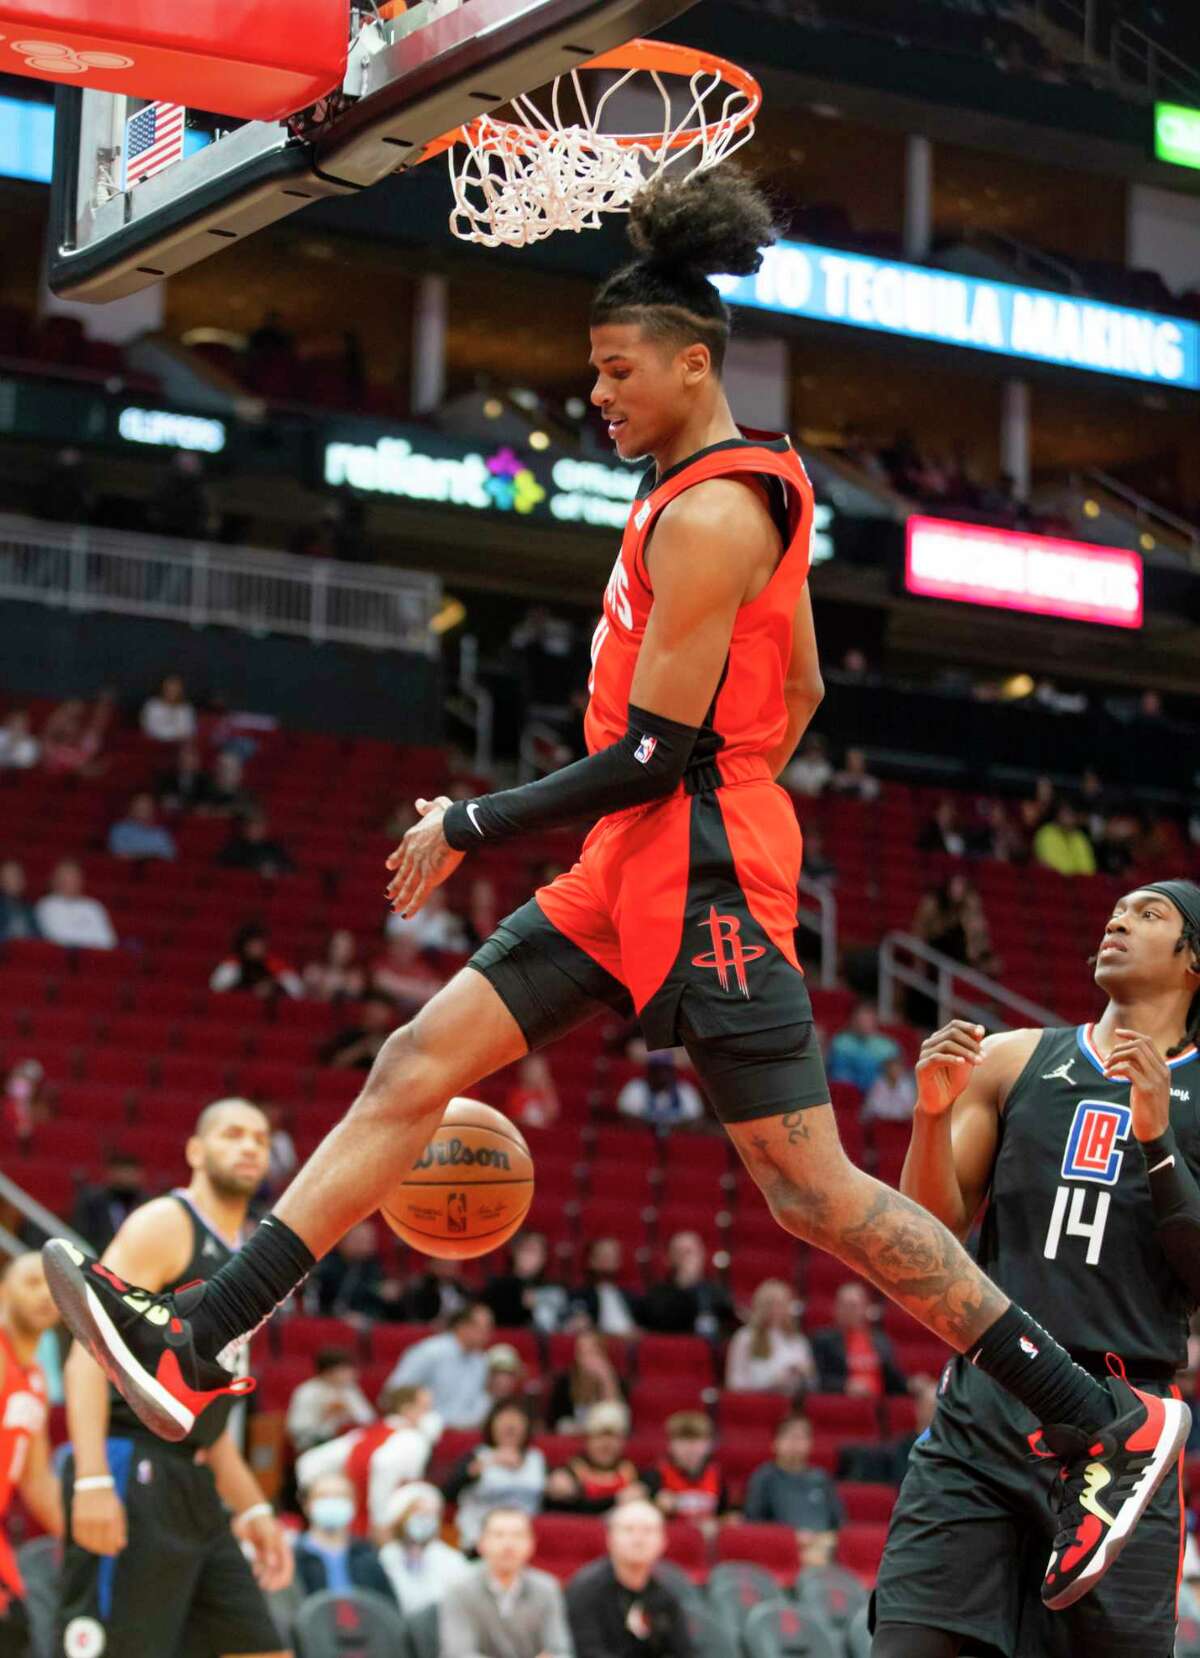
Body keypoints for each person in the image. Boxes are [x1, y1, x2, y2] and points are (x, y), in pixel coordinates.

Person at [49, 168, 1189, 1617]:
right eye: (592, 369)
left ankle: (1101, 1421)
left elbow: (654, 751)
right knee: (411, 1059)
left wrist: (477, 814)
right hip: (637, 861)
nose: (594, 390)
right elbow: (806, 683)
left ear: (692, 360)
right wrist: (727, 765)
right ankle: (198, 1334)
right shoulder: (699, 492)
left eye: (615, 367)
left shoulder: (715, 511)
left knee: (814, 1194)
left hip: (698, 861)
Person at [873, 880, 1200, 1658]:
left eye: (1150, 914)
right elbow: (931, 1233)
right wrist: (929, 1114)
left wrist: (1158, 1143)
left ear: (1195, 961)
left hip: (1120, 1434)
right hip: (983, 1416)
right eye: (1118, 909)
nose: (1119, 919)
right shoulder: (1011, 1058)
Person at [57, 1099, 290, 1658]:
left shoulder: (248, 1256)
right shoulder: (167, 1224)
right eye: (233, 1134)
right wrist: (91, 1480)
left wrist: (255, 1509)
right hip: (129, 1464)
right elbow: (87, 1351)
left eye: (260, 1137)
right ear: (195, 1150)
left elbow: (208, 1415)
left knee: (261, 1649)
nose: (250, 1146)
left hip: (195, 1480)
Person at [0, 1254, 60, 1658]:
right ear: (3, 1290)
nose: (44, 1293)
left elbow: (36, 1480)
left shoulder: (35, 1375)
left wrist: (84, 1540)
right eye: (31, 1281)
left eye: (52, 1285)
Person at [297, 1383, 441, 1534]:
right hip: (381, 1528)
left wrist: (310, 1505)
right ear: (407, 1409)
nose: (431, 1415)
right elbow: (384, 1466)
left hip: (352, 1525)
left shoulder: (363, 1434)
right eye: (426, 1408)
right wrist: (379, 1523)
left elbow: (308, 1462)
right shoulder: (413, 1439)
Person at [566, 1499, 695, 1658]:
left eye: (648, 1531)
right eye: (629, 1530)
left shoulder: (671, 1586)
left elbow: (684, 1650)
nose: (638, 1540)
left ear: (663, 1541)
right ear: (610, 1539)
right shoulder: (585, 1588)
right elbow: (586, 1652)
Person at [440, 1506, 574, 1658]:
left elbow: (560, 1650)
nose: (508, 1544)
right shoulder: (459, 1590)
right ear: (481, 1543)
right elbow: (458, 1653)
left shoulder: (547, 1588)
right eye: (498, 1535)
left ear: (531, 1543)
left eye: (518, 1535)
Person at [443, 1400, 546, 1551]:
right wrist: (482, 1466)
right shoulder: (477, 1455)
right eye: (504, 1421)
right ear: (491, 1426)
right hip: (477, 1541)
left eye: (516, 1421)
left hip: (524, 1541)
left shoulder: (536, 1459)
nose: (510, 1426)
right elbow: (447, 1492)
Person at [743, 1413, 843, 1567]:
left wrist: (822, 1541)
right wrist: (792, 1538)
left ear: (810, 1443)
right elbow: (753, 1526)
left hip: (823, 1551)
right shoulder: (764, 1478)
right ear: (775, 1443)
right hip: (781, 1554)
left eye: (801, 1437)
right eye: (789, 1436)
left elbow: (840, 1525)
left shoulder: (822, 1479)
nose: (795, 1443)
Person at [384, 1302, 495, 1428]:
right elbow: (393, 1393)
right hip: (426, 1430)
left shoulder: (481, 1361)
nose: (487, 1335)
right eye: (482, 1328)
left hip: (464, 1431)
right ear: (462, 1326)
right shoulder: (429, 1352)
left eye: (489, 1329)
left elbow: (479, 1402)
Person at [293, 1469, 397, 1601]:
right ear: (307, 1504)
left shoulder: (366, 1554)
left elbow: (387, 1608)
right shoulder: (294, 1558)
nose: (332, 1502)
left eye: (341, 1496)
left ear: (353, 1504)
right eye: (323, 1496)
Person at [378, 1482, 471, 1614]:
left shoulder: (453, 1560)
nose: (425, 1519)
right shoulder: (385, 1557)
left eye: (430, 1514)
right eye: (418, 1513)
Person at [811, 1281, 907, 1398]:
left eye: (853, 1306)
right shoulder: (823, 1340)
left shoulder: (881, 1341)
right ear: (836, 1308)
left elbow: (894, 1380)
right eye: (844, 1306)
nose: (848, 1311)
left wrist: (913, 1384)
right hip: (844, 1402)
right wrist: (845, 1386)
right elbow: (818, 1379)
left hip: (879, 1404)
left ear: (865, 1308)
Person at [545, 1401, 642, 1514]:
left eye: (613, 1438)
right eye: (599, 1437)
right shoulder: (571, 1470)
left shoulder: (630, 1471)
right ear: (587, 1440)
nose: (606, 1445)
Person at [725, 1277, 817, 1393]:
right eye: (771, 1304)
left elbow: (813, 1382)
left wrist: (802, 1374)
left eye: (781, 1304)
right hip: (757, 1403)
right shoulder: (745, 1337)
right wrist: (771, 1382)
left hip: (788, 1403)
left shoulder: (798, 1340)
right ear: (760, 1306)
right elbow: (734, 1383)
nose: (776, 1310)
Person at [637, 1231, 732, 1338]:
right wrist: (686, 1281)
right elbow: (662, 1323)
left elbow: (729, 1323)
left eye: (691, 1252)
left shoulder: (715, 1290)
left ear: (702, 1254)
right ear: (669, 1258)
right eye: (681, 1252)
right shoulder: (658, 1293)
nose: (688, 1258)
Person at [641, 1411, 725, 1532]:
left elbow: (724, 1514)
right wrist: (655, 1507)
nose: (689, 1449)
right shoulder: (655, 1475)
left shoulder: (716, 1475)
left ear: (708, 1445)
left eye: (696, 1441)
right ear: (670, 1445)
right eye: (682, 1442)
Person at [285, 1346, 375, 1455]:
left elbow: (369, 1419)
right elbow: (298, 1428)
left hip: (347, 1441)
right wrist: (324, 1415)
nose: (351, 1373)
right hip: (316, 1444)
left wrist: (349, 1410)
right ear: (328, 1372)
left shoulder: (350, 1389)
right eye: (344, 1370)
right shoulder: (308, 1391)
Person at [310, 1218, 402, 1320]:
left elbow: (377, 1287)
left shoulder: (371, 1265)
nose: (367, 1244)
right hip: (328, 1320)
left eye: (370, 1239)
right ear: (343, 1240)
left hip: (366, 1322)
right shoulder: (328, 1264)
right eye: (360, 1239)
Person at [483, 1232, 567, 1330]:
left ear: (544, 1258)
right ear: (515, 1252)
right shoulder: (497, 1286)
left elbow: (558, 1325)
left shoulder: (554, 1289)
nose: (529, 1256)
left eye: (535, 1251)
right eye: (526, 1249)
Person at [547, 1330, 625, 1432]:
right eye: (581, 1352)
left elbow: (619, 1419)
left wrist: (606, 1380)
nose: (586, 1357)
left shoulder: (616, 1380)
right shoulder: (564, 1382)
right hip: (574, 1438)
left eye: (592, 1351)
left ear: (602, 1354)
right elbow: (555, 1422)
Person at [71, 1152, 147, 1257]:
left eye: (129, 1172)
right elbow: (81, 1235)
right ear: (110, 1174)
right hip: (100, 1259)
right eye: (121, 1172)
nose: (125, 1177)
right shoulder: (93, 1202)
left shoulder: (147, 1204)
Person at [34, 860, 116, 950]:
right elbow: (58, 938)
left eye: (73, 876)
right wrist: (90, 941)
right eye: (64, 877)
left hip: (96, 958)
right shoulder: (46, 905)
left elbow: (108, 940)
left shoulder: (93, 905)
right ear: (54, 880)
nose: (69, 881)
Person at [209, 922, 303, 1000]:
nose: (258, 948)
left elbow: (297, 992)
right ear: (245, 946)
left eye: (260, 944)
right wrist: (251, 991)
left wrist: (274, 988)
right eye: (253, 945)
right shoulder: (232, 965)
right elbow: (217, 988)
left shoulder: (275, 965)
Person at [566, 1238, 638, 1337]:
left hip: (633, 1345)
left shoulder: (632, 1296)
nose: (609, 1258)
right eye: (604, 1254)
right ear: (591, 1260)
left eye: (613, 1255)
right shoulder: (580, 1294)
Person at [616, 1050, 705, 1129]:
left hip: (678, 1138)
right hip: (644, 1138)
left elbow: (695, 1119)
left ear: (672, 1071)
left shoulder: (685, 1090)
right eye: (657, 1069)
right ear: (649, 1071)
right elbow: (629, 1118)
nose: (661, 1074)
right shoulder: (636, 1087)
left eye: (666, 1069)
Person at [825, 1004, 901, 1096]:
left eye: (868, 1020)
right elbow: (837, 1074)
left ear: (875, 1021)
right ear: (853, 1021)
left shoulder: (888, 1046)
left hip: (880, 1096)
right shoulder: (841, 1042)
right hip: (848, 1095)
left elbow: (895, 1076)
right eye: (861, 1020)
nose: (864, 1024)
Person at [320, 989, 402, 1070]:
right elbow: (333, 1066)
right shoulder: (348, 1035)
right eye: (371, 1010)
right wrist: (362, 1048)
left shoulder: (393, 1039)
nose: (374, 1015)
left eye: (380, 1012)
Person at [216, 812, 295, 879]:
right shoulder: (234, 847)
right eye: (254, 826)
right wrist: (256, 870)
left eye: (260, 826)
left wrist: (275, 869)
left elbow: (290, 866)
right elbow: (226, 867)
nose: (258, 829)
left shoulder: (273, 846)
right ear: (246, 828)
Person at [106, 792, 177, 861]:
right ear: (131, 807)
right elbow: (118, 854)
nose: (144, 809)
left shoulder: (161, 832)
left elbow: (169, 857)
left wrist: (140, 856)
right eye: (140, 805)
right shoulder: (119, 829)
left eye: (147, 805)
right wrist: (150, 856)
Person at [1034, 801, 1097, 877]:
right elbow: (1055, 869)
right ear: (1057, 814)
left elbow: (1088, 869)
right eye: (1066, 813)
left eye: (1072, 814)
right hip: (1055, 884)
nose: (1069, 817)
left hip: (1079, 885)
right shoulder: (1046, 834)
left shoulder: (1079, 837)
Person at [304, 928, 367, 1003]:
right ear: (329, 946)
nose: (342, 952)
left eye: (346, 948)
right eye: (338, 946)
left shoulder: (356, 977)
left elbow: (354, 993)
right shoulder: (313, 971)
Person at [154, 739, 213, 812]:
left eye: (191, 756)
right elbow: (164, 800)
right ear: (178, 759)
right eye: (184, 756)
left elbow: (206, 803)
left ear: (197, 760)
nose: (187, 760)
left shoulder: (205, 780)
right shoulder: (167, 778)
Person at [140, 674, 197, 744]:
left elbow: (188, 729)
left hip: (180, 744)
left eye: (176, 688)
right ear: (163, 688)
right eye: (169, 688)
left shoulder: (186, 708)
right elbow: (151, 729)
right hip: (155, 744)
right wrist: (173, 735)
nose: (172, 691)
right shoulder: (152, 705)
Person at [862, 1055, 918, 1123]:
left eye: (898, 1067)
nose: (896, 1070)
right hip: (882, 1123)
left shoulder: (906, 1084)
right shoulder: (879, 1084)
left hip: (902, 1123)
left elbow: (910, 1108)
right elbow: (875, 1108)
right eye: (893, 1068)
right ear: (887, 1069)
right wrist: (895, 1114)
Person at [782, 732, 832, 796]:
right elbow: (790, 785)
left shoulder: (826, 768)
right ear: (806, 748)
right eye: (811, 748)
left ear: (822, 750)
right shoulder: (797, 764)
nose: (813, 752)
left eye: (816, 749)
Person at [0, 861, 39, 943]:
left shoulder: (29, 908)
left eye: (18, 876)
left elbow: (38, 936)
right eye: (10, 876)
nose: (16, 880)